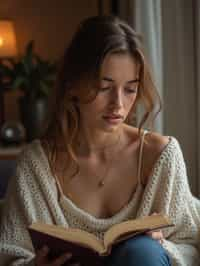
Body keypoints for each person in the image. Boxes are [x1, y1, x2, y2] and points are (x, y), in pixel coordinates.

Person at [0, 15, 200, 266]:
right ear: (73, 85)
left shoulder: (161, 155)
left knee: (142, 253)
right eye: (104, 87)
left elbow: (191, 243)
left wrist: (162, 245)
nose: (118, 104)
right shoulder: (36, 165)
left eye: (130, 89)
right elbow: (10, 253)